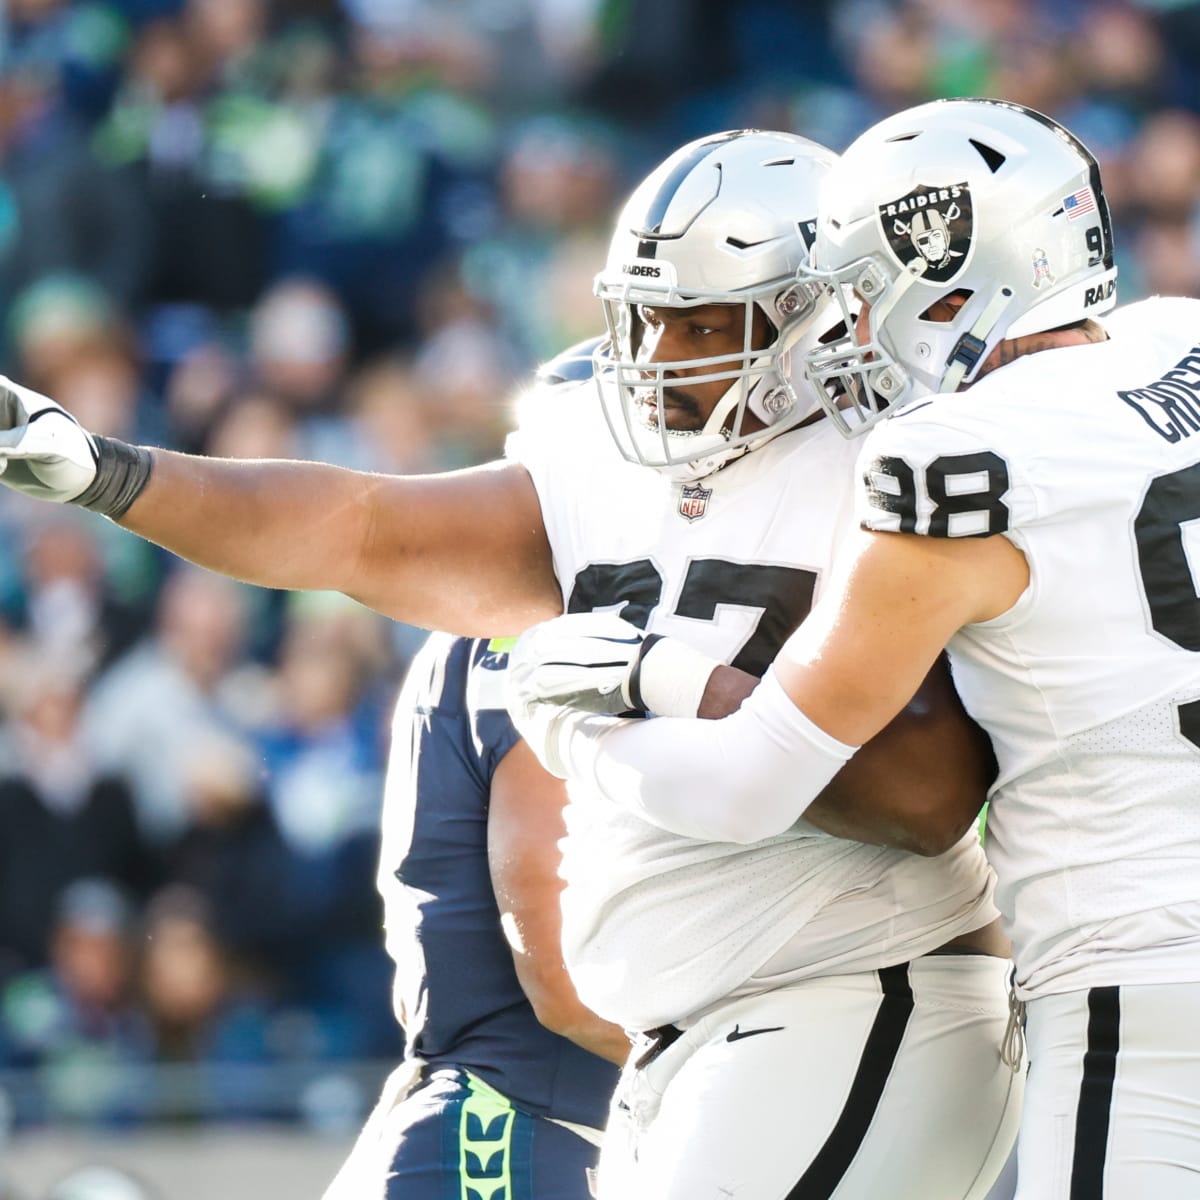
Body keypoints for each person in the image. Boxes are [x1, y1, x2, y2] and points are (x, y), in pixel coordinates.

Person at [0, 129, 1021, 1197]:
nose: (665, 360)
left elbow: (925, 796)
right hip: (697, 1032)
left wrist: (669, 680)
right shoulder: (599, 458)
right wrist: (109, 473)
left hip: (857, 986)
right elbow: (355, 527)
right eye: (648, 320)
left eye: (706, 324)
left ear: (825, 314)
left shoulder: (899, 460)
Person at [506, 100, 1200, 1197]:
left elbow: (748, 790)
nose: (849, 332)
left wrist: (614, 694)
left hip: (1147, 965)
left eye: (863, 291)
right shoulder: (1179, 339)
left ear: (956, 283)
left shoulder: (951, 459)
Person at [322, 632, 624, 1199]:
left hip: (496, 1120)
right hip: (516, 1126)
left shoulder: (466, 644)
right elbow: (563, 984)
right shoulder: (549, 639)